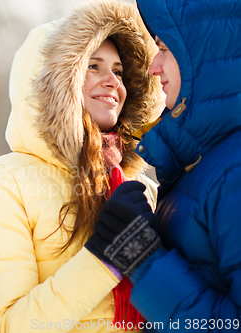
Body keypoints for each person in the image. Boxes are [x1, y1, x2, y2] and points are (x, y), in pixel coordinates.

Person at [0, 0, 162, 332]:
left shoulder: (138, 184)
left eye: (118, 71)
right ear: (55, 82)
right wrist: (104, 258)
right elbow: (8, 326)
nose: (112, 81)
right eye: (93, 66)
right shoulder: (3, 183)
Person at [85, 0, 241, 331]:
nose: (154, 66)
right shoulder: (200, 164)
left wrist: (144, 259)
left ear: (202, 55)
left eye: (165, 48)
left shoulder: (233, 173)